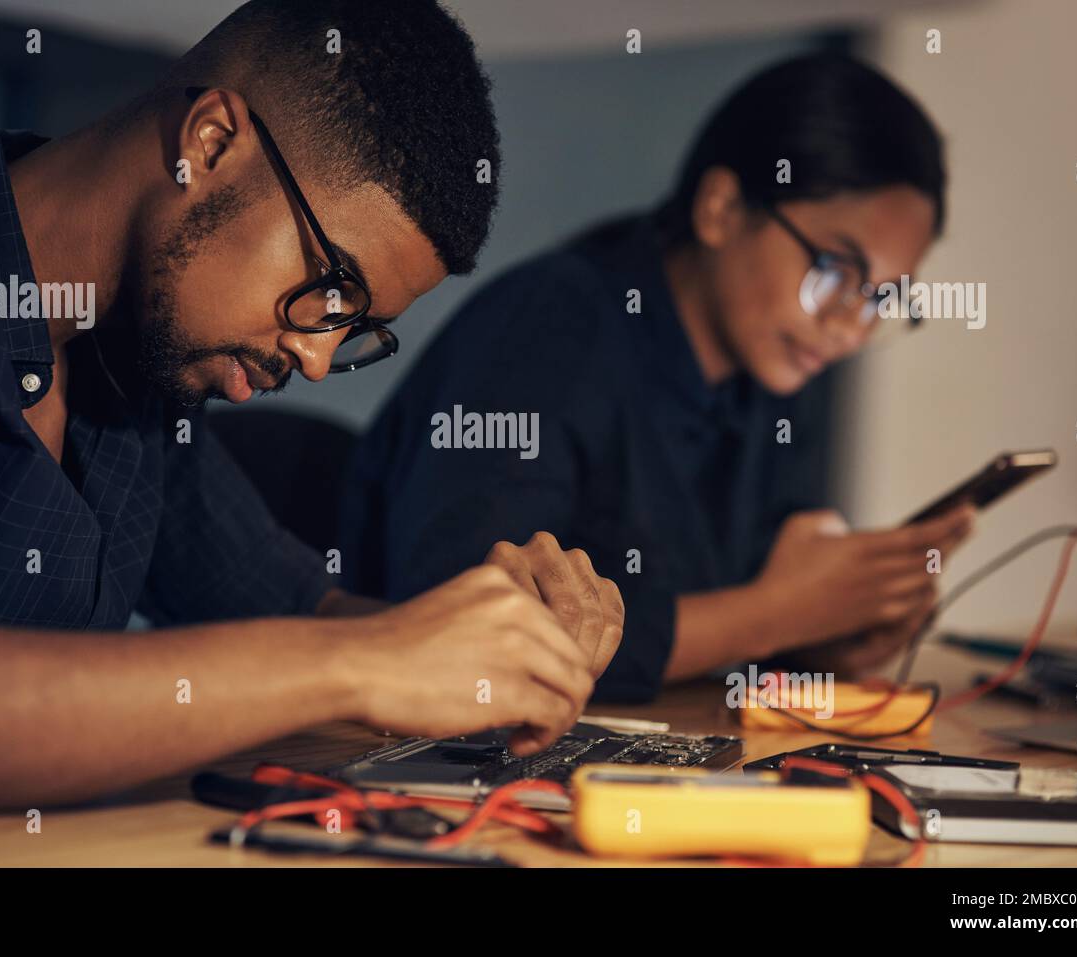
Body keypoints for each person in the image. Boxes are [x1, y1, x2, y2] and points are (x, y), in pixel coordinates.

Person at [0, 0, 622, 809]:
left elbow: (294, 605)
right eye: (331, 289)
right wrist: (364, 664)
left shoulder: (138, 363)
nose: (317, 358)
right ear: (207, 144)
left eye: (358, 327)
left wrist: (491, 639)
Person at [341, 53, 972, 703]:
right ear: (722, 208)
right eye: (836, 271)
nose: (850, 326)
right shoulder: (546, 328)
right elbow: (466, 634)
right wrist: (776, 614)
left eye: (882, 298)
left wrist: (835, 630)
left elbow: (750, 615)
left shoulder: (781, 364)